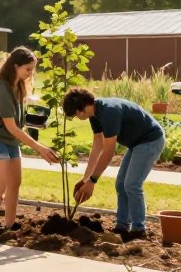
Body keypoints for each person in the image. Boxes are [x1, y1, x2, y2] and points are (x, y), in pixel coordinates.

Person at [64, 87, 166, 242]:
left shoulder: (109, 112)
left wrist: (93, 181)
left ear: (82, 109)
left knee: (132, 184)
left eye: (75, 114)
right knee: (121, 184)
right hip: (136, 143)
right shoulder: (95, 114)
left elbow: (108, 153)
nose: (77, 118)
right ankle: (122, 226)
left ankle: (139, 229)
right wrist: (86, 178)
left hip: (150, 140)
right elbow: (97, 145)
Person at [0, 47, 59, 235]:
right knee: (1, 182)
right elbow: (11, 127)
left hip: (9, 139)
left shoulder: (19, 86)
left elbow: (17, 121)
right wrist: (39, 147)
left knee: (15, 182)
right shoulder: (2, 88)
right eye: (28, 69)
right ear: (15, 66)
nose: (31, 73)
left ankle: (10, 224)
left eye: (33, 69)